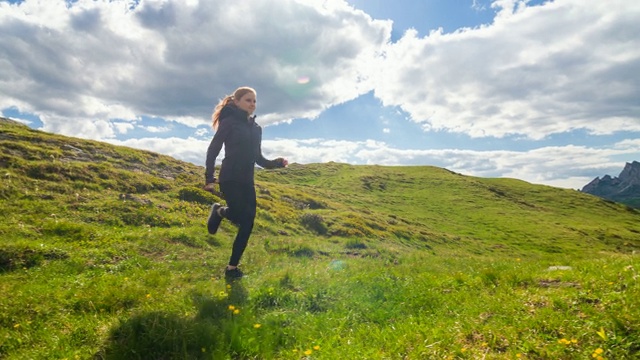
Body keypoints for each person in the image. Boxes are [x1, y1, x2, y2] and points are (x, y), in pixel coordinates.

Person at [204, 86, 288, 280]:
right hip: (229, 177)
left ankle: (232, 268)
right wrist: (209, 178)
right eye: (248, 100)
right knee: (240, 214)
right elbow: (213, 149)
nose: (252, 104)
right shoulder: (229, 122)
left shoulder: (256, 128)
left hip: (247, 180)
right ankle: (219, 211)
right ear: (237, 101)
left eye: (254, 101)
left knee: (248, 222)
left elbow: (258, 158)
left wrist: (275, 164)